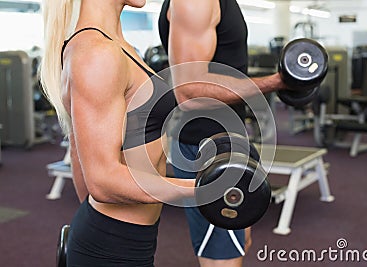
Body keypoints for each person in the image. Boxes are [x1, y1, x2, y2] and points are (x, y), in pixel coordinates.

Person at [39, 0, 195, 266]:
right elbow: (102, 181)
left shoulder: (116, 46)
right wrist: (204, 190)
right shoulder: (97, 52)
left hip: (126, 238)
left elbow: (80, 153)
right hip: (111, 247)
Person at [158, 0, 287, 266]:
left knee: (235, 246)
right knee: (222, 259)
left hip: (226, 140)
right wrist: (277, 82)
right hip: (208, 148)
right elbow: (189, 90)